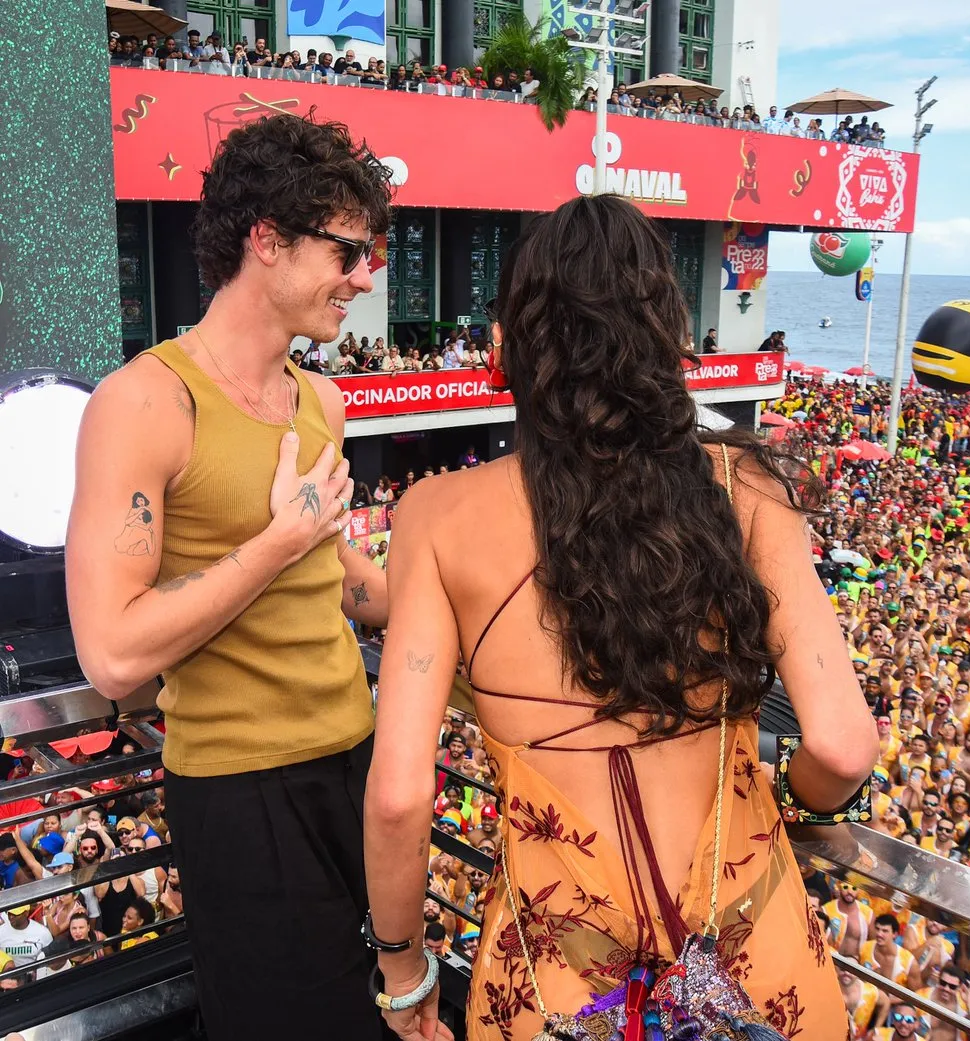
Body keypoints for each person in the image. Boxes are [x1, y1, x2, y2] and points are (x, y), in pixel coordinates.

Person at [363, 195, 876, 1038]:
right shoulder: (745, 488)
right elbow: (841, 745)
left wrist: (403, 968)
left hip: (561, 990)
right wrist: (787, 796)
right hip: (758, 973)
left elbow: (396, 798)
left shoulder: (436, 515)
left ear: (512, 347)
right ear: (666, 336)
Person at [65, 114, 395, 1041]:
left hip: (355, 761)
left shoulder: (323, 398)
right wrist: (273, 545)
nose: (365, 279)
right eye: (348, 250)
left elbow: (338, 576)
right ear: (266, 239)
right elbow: (114, 655)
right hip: (242, 790)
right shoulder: (144, 401)